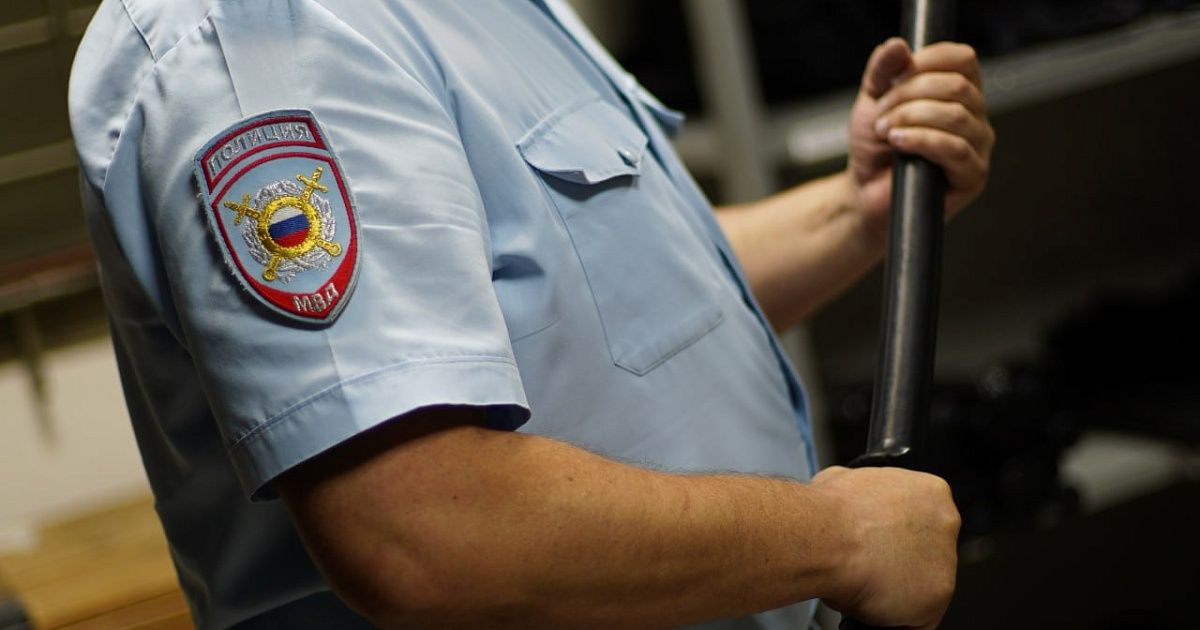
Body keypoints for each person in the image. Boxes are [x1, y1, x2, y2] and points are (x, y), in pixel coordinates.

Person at [69, 1, 993, 628]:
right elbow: (422, 530)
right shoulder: (258, 43)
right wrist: (840, 538)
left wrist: (852, 214)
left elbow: (600, 305)